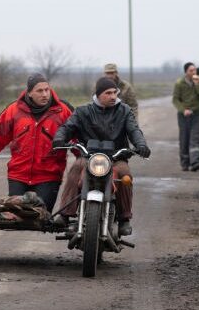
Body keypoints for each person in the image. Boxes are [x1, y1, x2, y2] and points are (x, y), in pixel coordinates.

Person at [0, 73, 72, 211]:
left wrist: (88, 160)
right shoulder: (13, 111)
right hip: (18, 176)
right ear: (29, 93)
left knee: (41, 212)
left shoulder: (63, 112)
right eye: (39, 91)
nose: (45, 94)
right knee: (16, 213)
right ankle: (0, 210)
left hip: (48, 176)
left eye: (47, 90)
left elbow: (78, 139)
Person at [52, 77, 150, 236]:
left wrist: (141, 145)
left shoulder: (124, 111)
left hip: (116, 158)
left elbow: (134, 130)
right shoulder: (83, 111)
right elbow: (67, 127)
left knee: (125, 175)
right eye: (108, 93)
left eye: (115, 93)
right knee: (76, 168)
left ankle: (124, 218)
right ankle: (65, 214)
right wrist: (59, 138)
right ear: (98, 95)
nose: (113, 96)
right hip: (88, 157)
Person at [173, 62, 199, 171]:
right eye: (191, 70)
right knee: (184, 139)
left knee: (195, 138)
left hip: (196, 114)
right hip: (183, 116)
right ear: (186, 72)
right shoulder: (179, 83)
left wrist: (197, 84)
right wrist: (183, 110)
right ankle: (185, 163)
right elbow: (175, 99)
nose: (194, 72)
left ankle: (196, 162)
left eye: (195, 70)